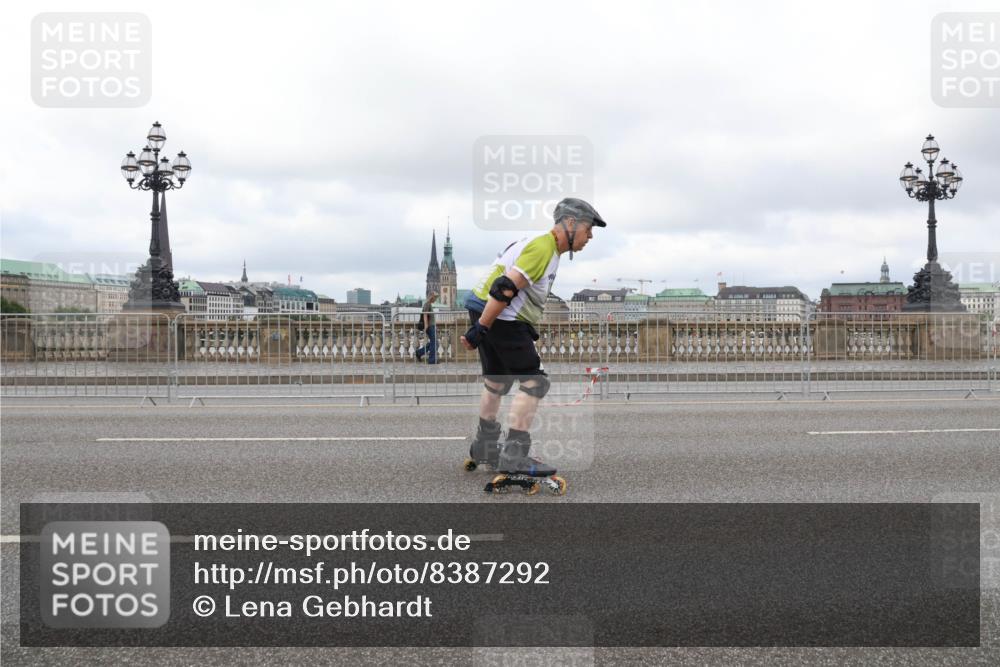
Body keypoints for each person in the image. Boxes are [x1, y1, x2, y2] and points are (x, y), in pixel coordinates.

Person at [461, 197, 607, 493]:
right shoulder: (544, 248)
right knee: (535, 382)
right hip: (503, 316)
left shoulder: (537, 244)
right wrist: (481, 329)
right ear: (570, 223)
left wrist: (481, 324)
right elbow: (504, 288)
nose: (590, 236)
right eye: (588, 229)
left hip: (484, 308)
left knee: (496, 381)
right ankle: (514, 454)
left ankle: (485, 444)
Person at [415, 291, 438, 364]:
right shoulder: (427, 303)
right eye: (435, 297)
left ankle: (419, 352)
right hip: (430, 326)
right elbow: (425, 314)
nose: (436, 299)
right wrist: (426, 325)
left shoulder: (429, 304)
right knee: (434, 343)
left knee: (434, 343)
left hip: (431, 326)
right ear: (431, 297)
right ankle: (432, 360)